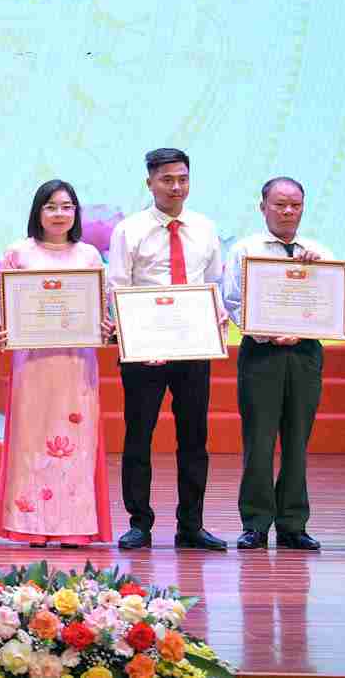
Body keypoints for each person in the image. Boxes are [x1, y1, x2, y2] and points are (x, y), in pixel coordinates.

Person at [105, 147, 230, 551]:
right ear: (150, 183)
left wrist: (215, 317)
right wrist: (138, 338)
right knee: (139, 434)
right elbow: (117, 287)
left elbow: (211, 283)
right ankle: (139, 523)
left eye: (182, 179)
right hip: (145, 348)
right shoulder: (129, 229)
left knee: (195, 437)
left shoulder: (205, 228)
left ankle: (191, 525)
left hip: (192, 346)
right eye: (167, 180)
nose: (176, 187)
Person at [0, 179, 112, 546]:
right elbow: (1, 301)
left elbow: (101, 305)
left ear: (76, 213)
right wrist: (2, 326)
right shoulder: (19, 253)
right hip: (34, 363)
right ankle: (32, 524)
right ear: (38, 212)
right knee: (32, 438)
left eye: (67, 207)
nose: (59, 214)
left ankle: (74, 525)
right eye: (51, 206)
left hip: (76, 362)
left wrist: (106, 323)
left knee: (77, 435)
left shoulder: (89, 255)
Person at [222, 176, 333, 551]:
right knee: (259, 439)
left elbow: (330, 304)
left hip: (305, 353)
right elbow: (233, 303)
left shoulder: (318, 251)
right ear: (263, 207)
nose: (288, 211)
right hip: (261, 353)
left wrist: (317, 276)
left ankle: (293, 524)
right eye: (279, 204)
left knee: (298, 439)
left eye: (295, 205)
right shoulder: (245, 250)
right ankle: (255, 522)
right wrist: (269, 333)